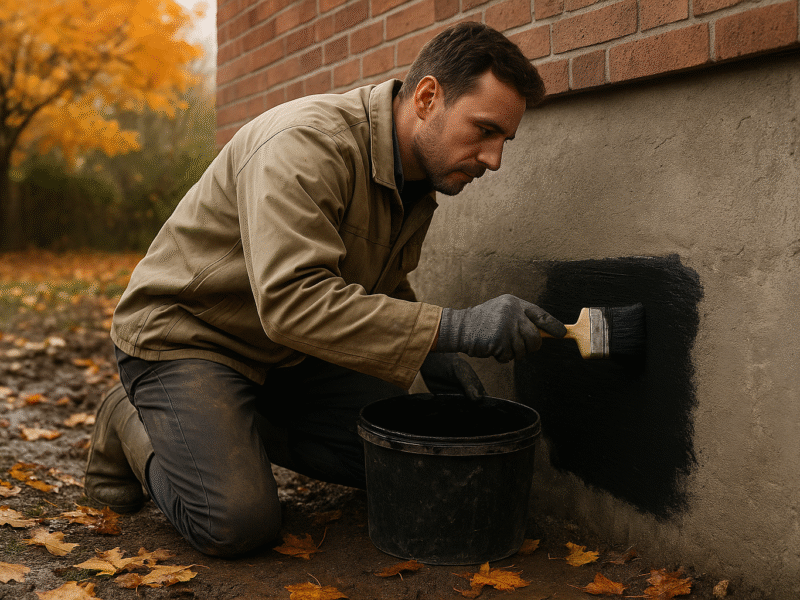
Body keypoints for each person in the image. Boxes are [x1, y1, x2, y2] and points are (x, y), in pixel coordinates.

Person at [84, 22, 567, 557]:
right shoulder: (308, 144)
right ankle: (130, 419)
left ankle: (222, 430)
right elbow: (293, 301)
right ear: (429, 97)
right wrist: (451, 328)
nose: (494, 159)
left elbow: (375, 279)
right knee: (237, 522)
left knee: (398, 461)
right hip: (189, 339)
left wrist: (434, 352)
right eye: (484, 130)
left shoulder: (416, 178)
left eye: (505, 140)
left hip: (288, 353)